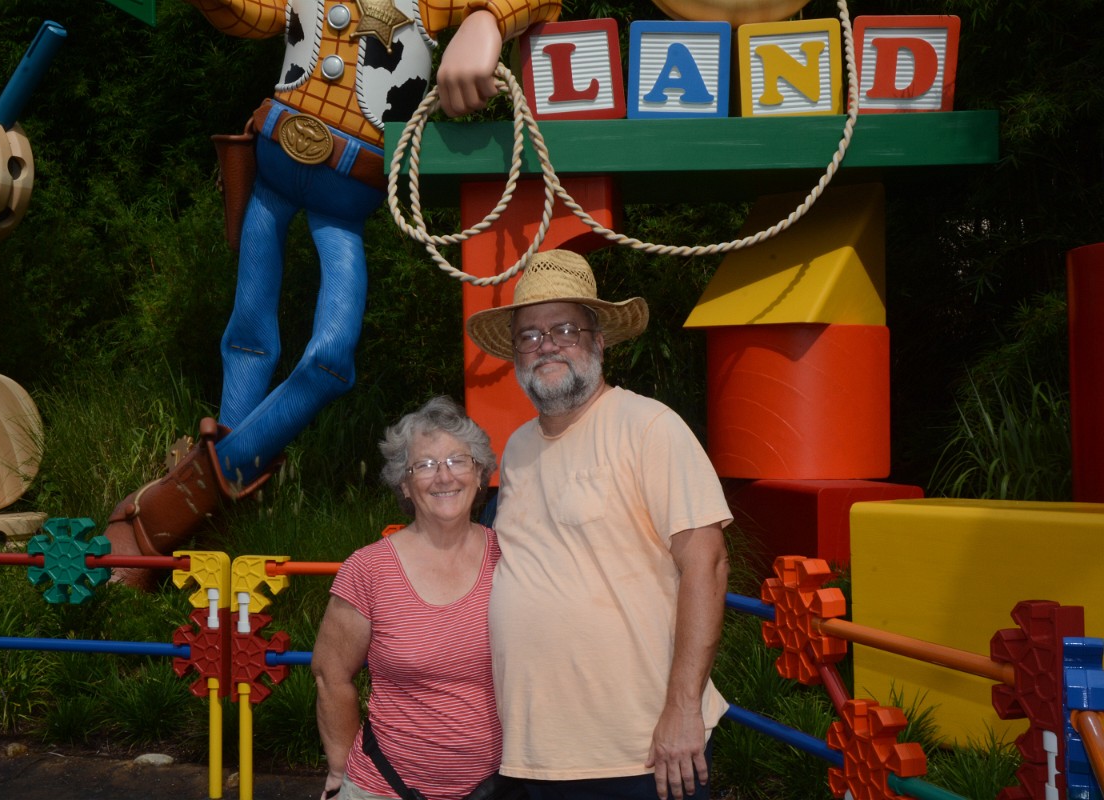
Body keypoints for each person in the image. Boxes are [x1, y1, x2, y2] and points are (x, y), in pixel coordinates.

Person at [103, 0, 560, 587]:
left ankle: (186, 498)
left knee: (331, 355)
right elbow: (249, 14)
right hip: (271, 166)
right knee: (247, 333)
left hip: (346, 194)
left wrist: (484, 20)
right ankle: (220, 515)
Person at [465, 249, 733, 800]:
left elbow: (707, 564)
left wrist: (684, 708)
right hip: (536, 754)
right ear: (515, 354)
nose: (547, 345)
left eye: (565, 329)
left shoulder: (650, 426)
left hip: (643, 750)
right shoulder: (515, 450)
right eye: (530, 335)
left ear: (599, 341)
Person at [312, 396, 503, 800]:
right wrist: (339, 767)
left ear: (479, 472)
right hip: (384, 788)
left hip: (497, 788)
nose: (444, 476)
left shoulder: (511, 557)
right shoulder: (368, 569)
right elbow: (331, 675)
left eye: (457, 460)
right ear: (404, 483)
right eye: (426, 465)